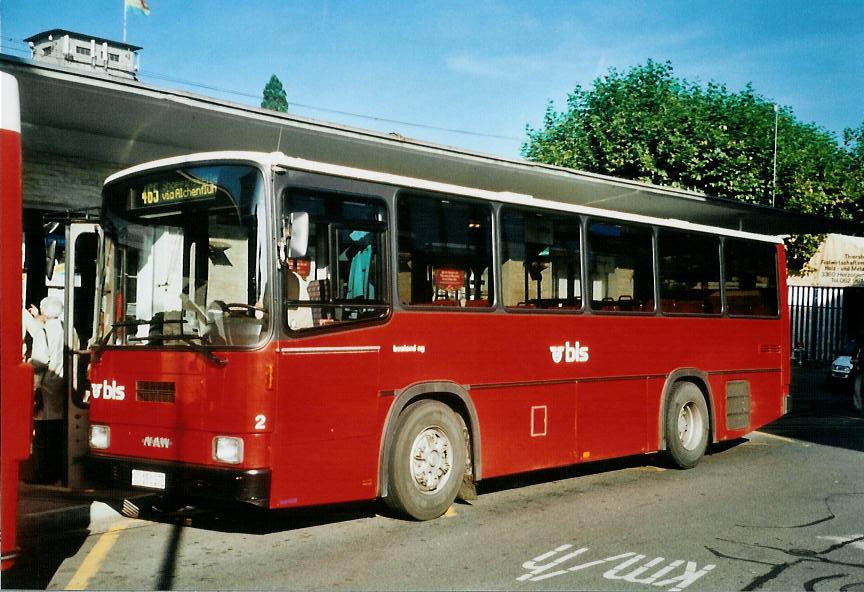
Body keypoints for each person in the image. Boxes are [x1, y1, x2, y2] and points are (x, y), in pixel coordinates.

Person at [22, 295, 65, 484]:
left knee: (42, 433)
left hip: (45, 386)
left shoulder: (44, 332)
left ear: (45, 311)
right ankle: (57, 471)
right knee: (57, 432)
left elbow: (39, 362)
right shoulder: (67, 329)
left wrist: (25, 365)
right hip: (62, 383)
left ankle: (42, 473)